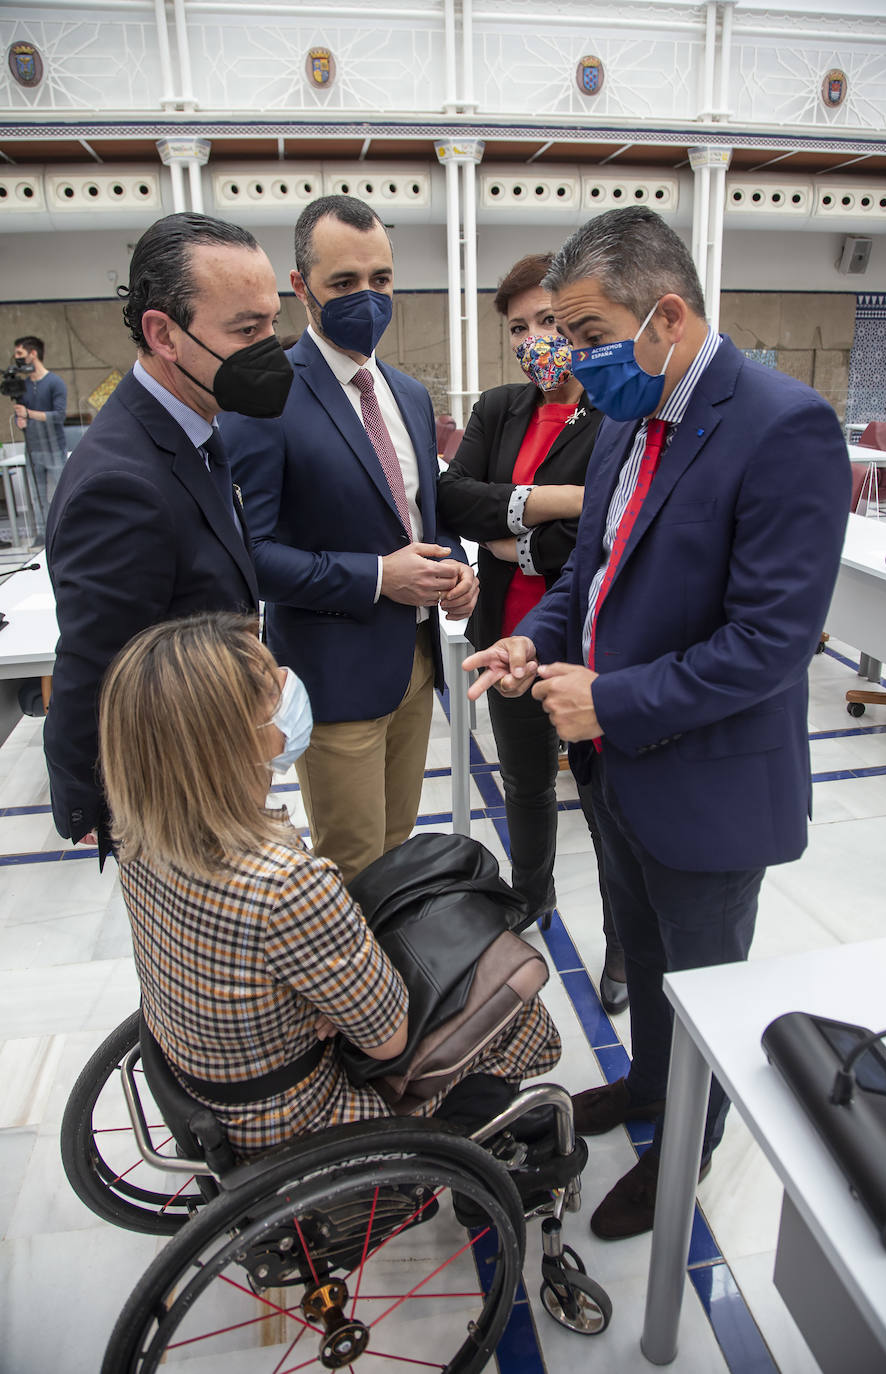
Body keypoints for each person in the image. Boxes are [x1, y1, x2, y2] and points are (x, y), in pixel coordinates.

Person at [463, 206, 851, 1241]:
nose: (572, 359)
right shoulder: (635, 417)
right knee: (639, 944)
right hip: (618, 765)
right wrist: (534, 642)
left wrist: (613, 698)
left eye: (589, 337)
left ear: (666, 315)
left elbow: (770, 643)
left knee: (704, 985)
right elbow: (587, 576)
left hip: (707, 776)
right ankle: (647, 1093)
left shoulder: (783, 426)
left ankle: (690, 1149)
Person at [98, 611, 560, 1159]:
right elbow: (387, 1036)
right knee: (517, 1009)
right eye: (272, 688)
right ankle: (473, 1151)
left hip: (205, 1081)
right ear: (231, 740)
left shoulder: (139, 839)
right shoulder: (286, 885)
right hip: (300, 1121)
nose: (289, 685)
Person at [222, 195, 477, 885]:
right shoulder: (263, 395)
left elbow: (422, 517)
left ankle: (392, 980)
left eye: (381, 280)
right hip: (335, 676)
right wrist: (375, 576)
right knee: (354, 861)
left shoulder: (409, 394)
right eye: (344, 283)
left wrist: (455, 568)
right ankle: (357, 991)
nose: (367, 298)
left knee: (396, 851)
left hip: (416, 666)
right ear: (301, 287)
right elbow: (251, 556)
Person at [44, 211, 293, 861]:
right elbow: (95, 668)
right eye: (247, 329)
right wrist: (95, 802)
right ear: (164, 334)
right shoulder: (123, 483)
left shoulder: (198, 430)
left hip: (224, 763)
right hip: (179, 800)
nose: (272, 346)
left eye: (272, 321)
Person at [437, 255, 627, 1010]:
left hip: (583, 641)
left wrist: (516, 531)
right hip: (506, 633)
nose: (534, 338)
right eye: (519, 327)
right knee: (523, 782)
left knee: (603, 796)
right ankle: (531, 897)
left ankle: (622, 944)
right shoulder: (501, 408)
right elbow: (455, 501)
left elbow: (609, 528)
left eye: (548, 320)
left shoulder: (616, 412)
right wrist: (560, 501)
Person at [11, 335, 68, 530]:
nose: (17, 357)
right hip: (33, 449)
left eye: (20, 353)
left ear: (33, 353)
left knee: (62, 493)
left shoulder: (55, 383)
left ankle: (65, 528)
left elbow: (58, 416)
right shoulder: (23, 386)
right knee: (38, 497)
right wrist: (21, 419)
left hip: (53, 448)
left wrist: (29, 413)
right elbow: (24, 417)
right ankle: (43, 532)